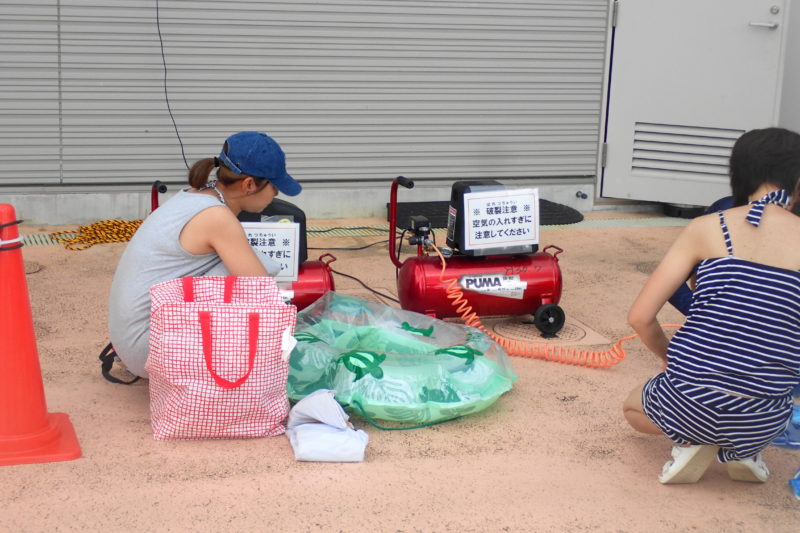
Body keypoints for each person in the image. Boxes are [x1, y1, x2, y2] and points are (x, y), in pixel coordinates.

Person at [623, 127, 800, 484]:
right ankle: (743, 450)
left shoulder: (707, 227)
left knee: (632, 409)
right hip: (762, 420)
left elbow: (640, 317)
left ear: (738, 176)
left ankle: (691, 441)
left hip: (687, 403)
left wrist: (669, 356)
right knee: (767, 407)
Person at [108, 131, 302, 378]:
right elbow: (262, 295)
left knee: (244, 264)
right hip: (146, 348)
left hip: (132, 337)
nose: (276, 194)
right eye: (275, 186)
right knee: (257, 279)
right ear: (249, 184)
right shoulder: (216, 217)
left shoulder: (194, 195)